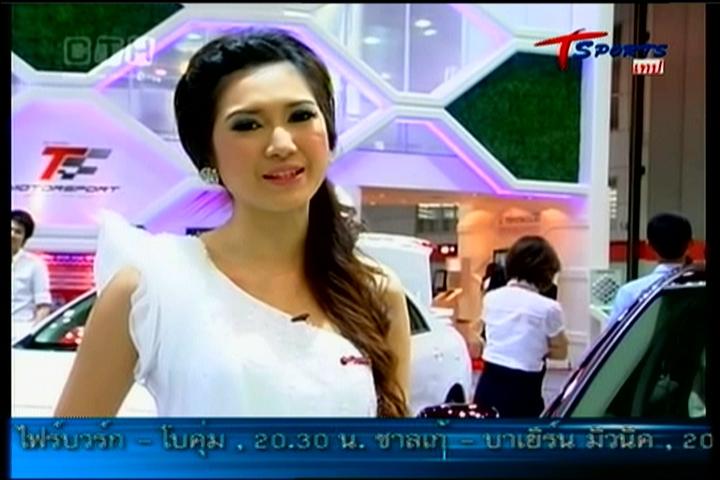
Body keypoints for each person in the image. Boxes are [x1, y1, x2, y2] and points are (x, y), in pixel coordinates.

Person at [54, 29, 411, 418]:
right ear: (207, 153)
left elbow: (391, 442)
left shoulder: (375, 293)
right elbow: (65, 446)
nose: (282, 144)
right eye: (247, 125)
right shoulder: (152, 284)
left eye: (300, 116)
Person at [473, 236, 568, 418]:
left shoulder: (491, 298)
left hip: (488, 384)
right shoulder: (549, 308)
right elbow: (561, 352)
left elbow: (483, 333)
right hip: (524, 390)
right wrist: (537, 347)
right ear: (546, 272)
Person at [608, 212, 693, 326]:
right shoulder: (700, 288)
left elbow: (612, 333)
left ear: (649, 246)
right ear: (690, 244)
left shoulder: (630, 292)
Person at [11, 209, 52, 342]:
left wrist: (30, 337)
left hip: (20, 333)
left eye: (18, 232)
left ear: (24, 238)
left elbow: (43, 306)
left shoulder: (35, 264)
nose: (12, 235)